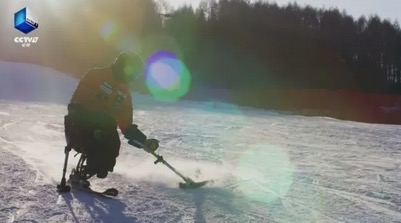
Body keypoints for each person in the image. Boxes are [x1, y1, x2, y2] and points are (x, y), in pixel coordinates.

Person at [64, 52, 160, 182]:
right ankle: (87, 170)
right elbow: (77, 101)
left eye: (137, 75)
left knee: (112, 145)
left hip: (102, 130)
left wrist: (143, 141)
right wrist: (77, 117)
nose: (132, 78)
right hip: (79, 126)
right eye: (133, 73)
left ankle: (86, 172)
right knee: (106, 124)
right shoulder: (97, 75)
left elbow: (126, 125)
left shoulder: (124, 94)